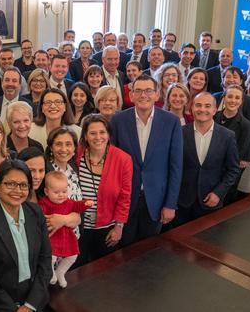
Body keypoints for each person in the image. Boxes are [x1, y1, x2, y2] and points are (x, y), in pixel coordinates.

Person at [110, 74, 183, 245]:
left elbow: (176, 166)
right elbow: (113, 164)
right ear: (131, 95)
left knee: (149, 252)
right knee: (123, 252)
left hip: (156, 201)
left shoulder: (171, 122)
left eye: (149, 90)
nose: (144, 95)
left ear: (157, 94)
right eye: (139, 91)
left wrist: (170, 204)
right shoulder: (118, 120)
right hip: (125, 200)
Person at [0, 159, 51, 312]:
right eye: (10, 184)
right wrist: (13, 309)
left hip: (35, 301)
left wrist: (30, 305)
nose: (17, 190)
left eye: (23, 185)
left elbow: (45, 260)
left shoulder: (35, 212)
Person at [173, 93, 240, 227]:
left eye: (207, 106)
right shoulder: (179, 133)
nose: (202, 109)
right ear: (191, 108)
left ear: (215, 110)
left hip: (210, 201)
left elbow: (233, 170)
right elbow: (172, 167)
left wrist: (218, 193)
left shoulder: (227, 136)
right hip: (182, 201)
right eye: (198, 105)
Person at [74, 114, 132, 265]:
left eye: (102, 132)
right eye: (92, 133)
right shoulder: (77, 154)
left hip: (107, 228)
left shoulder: (123, 159)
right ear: (85, 136)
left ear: (109, 134)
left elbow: (124, 197)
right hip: (79, 227)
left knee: (106, 272)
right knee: (78, 271)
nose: (98, 137)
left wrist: (119, 227)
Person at [38, 171, 92, 288]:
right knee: (51, 256)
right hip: (52, 236)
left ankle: (61, 272)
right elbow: (39, 215)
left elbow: (77, 205)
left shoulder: (68, 202)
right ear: (46, 192)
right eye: (56, 192)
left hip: (66, 235)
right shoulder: (44, 203)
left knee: (73, 256)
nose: (61, 195)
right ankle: (51, 271)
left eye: (64, 191)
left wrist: (86, 204)